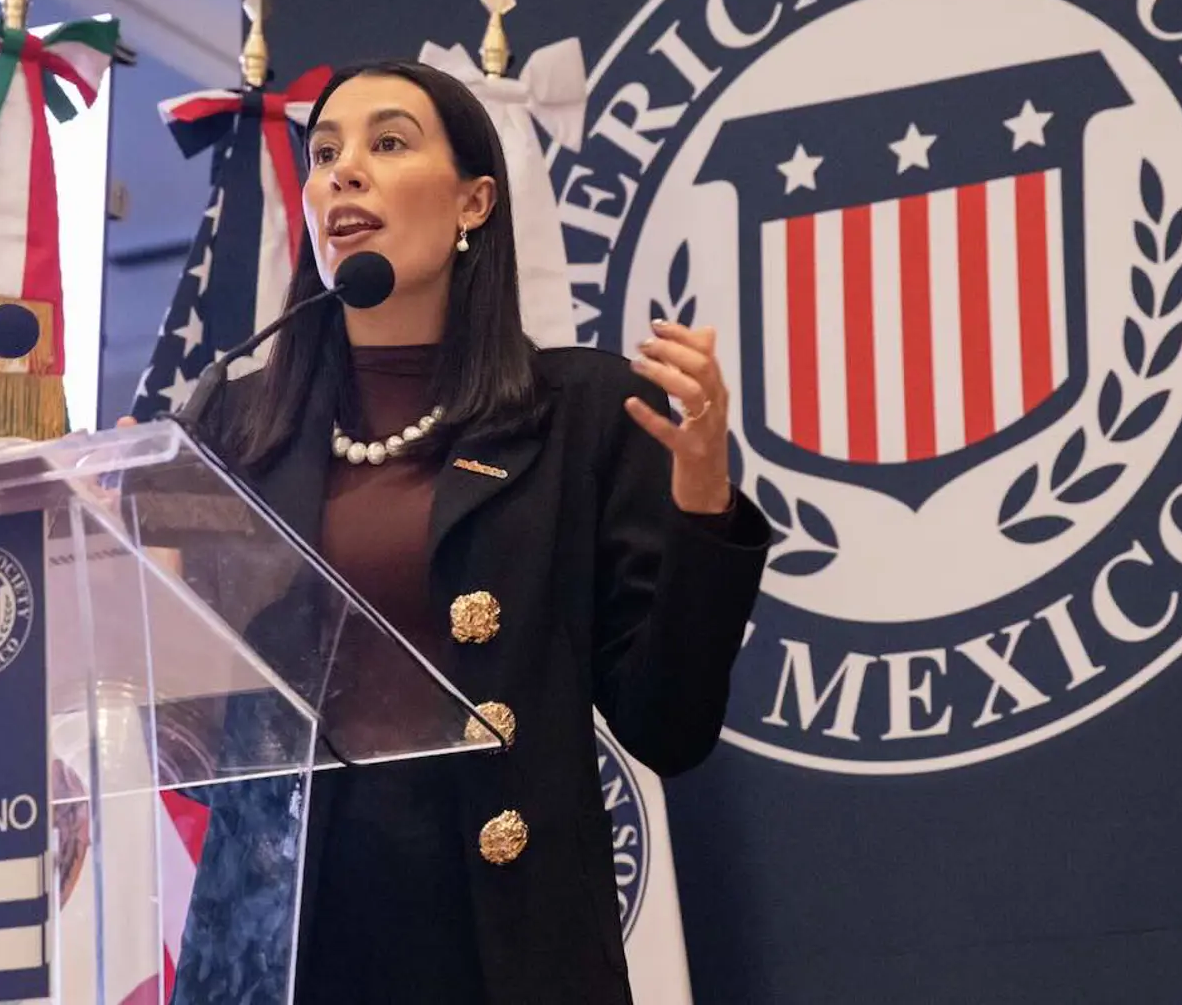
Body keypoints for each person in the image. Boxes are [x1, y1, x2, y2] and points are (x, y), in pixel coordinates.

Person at [172, 60, 770, 1005]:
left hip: (499, 943)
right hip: (281, 945)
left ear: (474, 202)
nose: (344, 173)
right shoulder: (232, 431)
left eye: (388, 144)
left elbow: (669, 724)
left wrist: (701, 501)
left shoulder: (579, 413)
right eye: (324, 153)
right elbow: (189, 743)